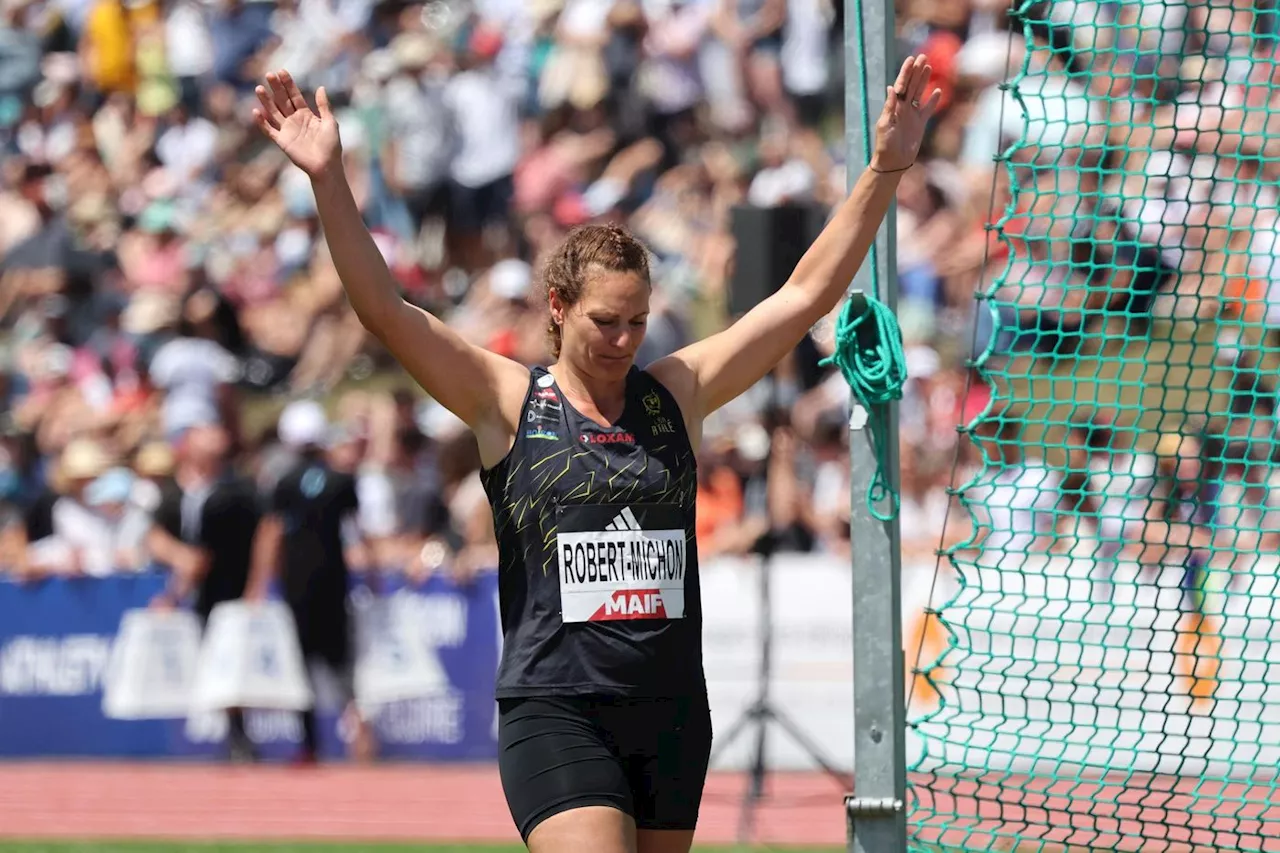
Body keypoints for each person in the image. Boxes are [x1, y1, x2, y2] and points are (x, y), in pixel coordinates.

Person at [252, 56, 938, 853]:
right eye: (604, 321)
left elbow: (800, 296)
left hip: (672, 710)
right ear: (558, 308)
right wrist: (329, 178)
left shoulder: (675, 393)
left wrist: (886, 167)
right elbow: (383, 308)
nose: (622, 340)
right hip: (558, 708)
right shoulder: (506, 400)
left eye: (637, 322)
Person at [244, 400, 374, 764]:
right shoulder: (341, 479)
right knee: (341, 660)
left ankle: (309, 744)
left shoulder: (283, 481)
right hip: (334, 580)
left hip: (297, 582)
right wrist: (374, 572)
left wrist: (257, 584)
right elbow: (359, 531)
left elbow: (270, 534)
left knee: (300, 663)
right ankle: (358, 730)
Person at [148, 421, 262, 762]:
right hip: (198, 593)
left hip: (229, 590)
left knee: (233, 667)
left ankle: (239, 737)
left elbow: (212, 553)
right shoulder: (175, 493)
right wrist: (178, 560)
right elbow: (155, 537)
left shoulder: (236, 492)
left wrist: (256, 585)